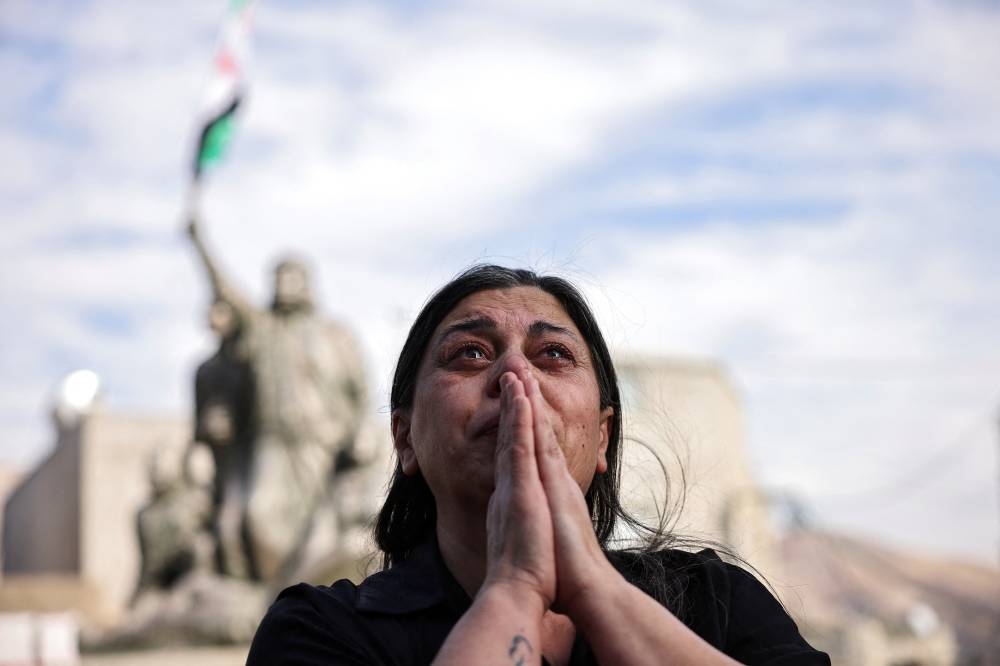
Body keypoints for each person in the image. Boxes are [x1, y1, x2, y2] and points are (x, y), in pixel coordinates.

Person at [247, 265, 830, 665]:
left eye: (552, 355)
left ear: (602, 438)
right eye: (470, 353)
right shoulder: (320, 629)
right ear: (405, 439)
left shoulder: (713, 600)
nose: (515, 376)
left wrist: (595, 587)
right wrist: (515, 587)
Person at [187, 217, 369, 582]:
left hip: (320, 441)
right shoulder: (263, 328)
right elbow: (227, 290)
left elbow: (359, 388)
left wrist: (359, 432)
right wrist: (200, 242)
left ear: (307, 283)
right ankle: (279, 596)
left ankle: (309, 592)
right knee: (260, 515)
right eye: (278, 278)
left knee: (317, 526)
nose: (283, 284)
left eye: (291, 277)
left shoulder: (334, 334)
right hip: (271, 441)